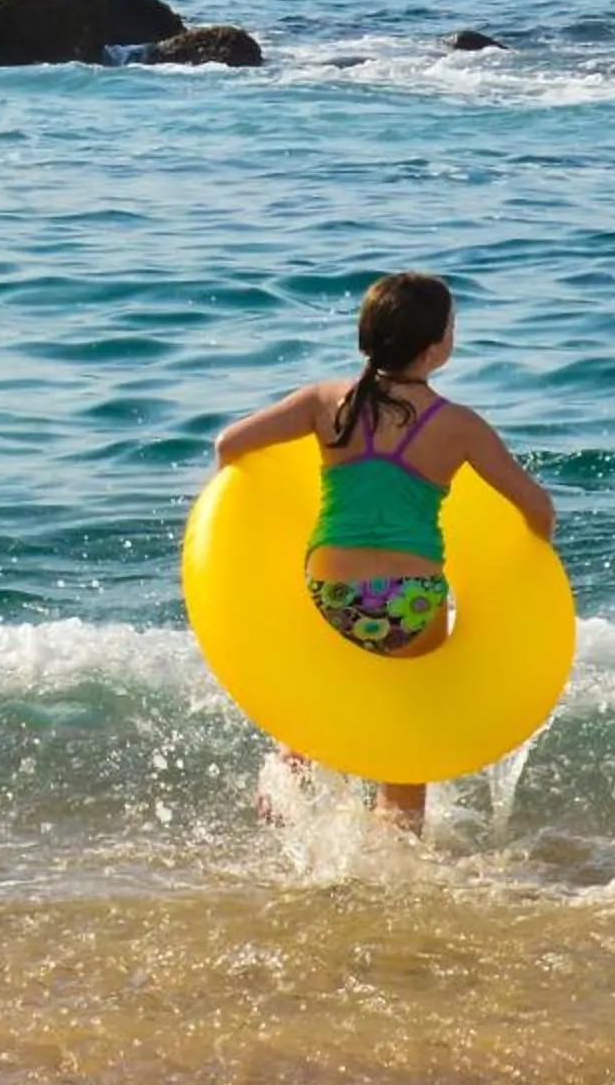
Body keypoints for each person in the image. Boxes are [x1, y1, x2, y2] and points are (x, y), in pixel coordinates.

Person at [209, 271, 557, 831]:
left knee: (321, 690)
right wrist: (525, 556)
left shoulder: (326, 402)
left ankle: (287, 766)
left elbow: (228, 446)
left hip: (332, 592)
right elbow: (538, 510)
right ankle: (394, 866)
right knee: (405, 747)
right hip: (412, 602)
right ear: (435, 348)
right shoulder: (459, 426)